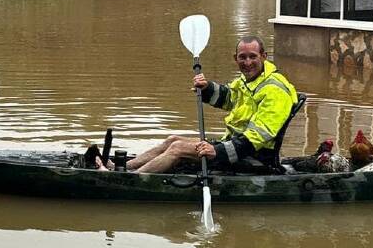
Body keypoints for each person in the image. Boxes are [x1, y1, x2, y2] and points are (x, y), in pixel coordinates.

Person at [103, 35, 298, 174]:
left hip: (254, 157)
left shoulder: (275, 90)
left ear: (264, 56)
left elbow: (257, 138)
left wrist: (217, 151)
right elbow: (229, 98)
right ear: (235, 58)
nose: (247, 62)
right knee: (172, 140)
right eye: (242, 57)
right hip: (234, 144)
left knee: (177, 149)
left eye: (253, 56)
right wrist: (207, 89)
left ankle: (131, 180)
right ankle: (123, 168)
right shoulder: (250, 80)